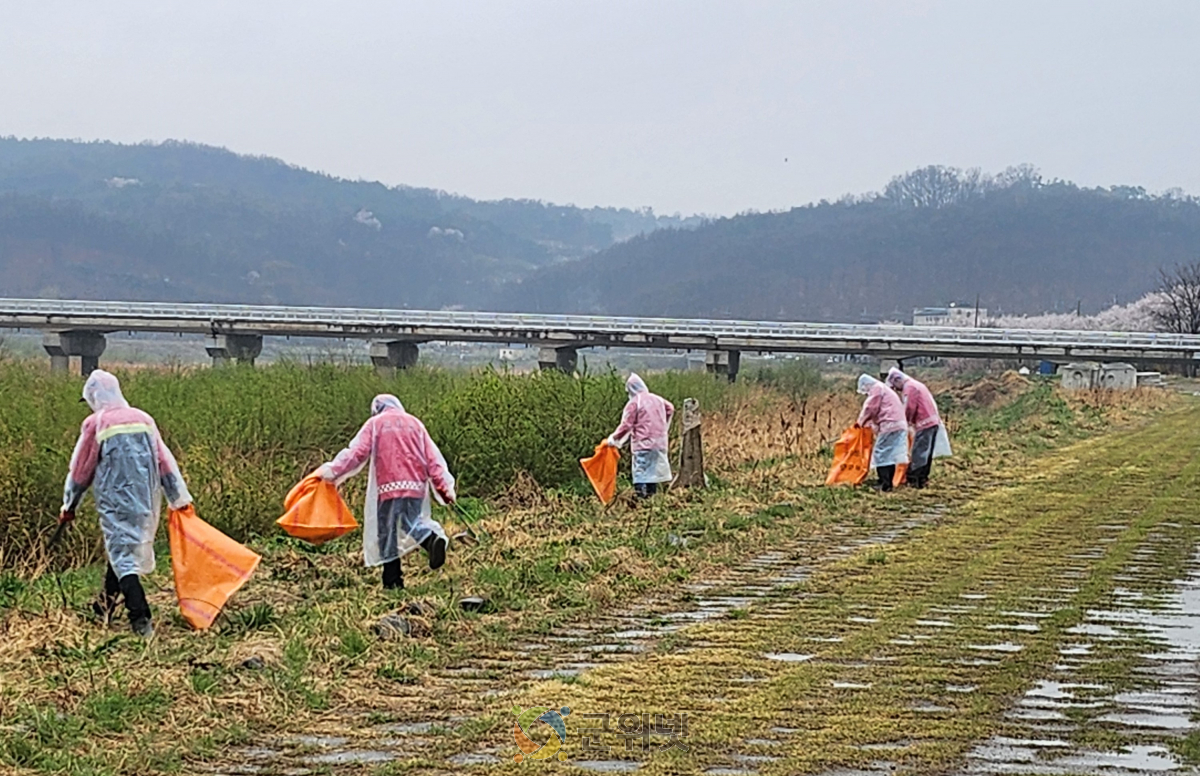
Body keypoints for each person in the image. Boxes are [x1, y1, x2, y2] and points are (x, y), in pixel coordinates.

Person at [60, 370, 192, 638]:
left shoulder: (96, 424)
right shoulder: (144, 419)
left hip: (115, 501)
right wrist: (179, 498)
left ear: (94, 397)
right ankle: (104, 606)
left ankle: (140, 616)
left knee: (123, 556)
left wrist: (69, 506)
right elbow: (165, 462)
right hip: (146, 499)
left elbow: (80, 471)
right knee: (121, 550)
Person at [318, 394, 454, 590]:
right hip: (416, 486)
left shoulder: (375, 424)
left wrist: (330, 472)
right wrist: (444, 488)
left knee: (386, 533)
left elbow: (356, 453)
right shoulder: (415, 424)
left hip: (389, 488)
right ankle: (431, 539)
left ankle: (393, 580)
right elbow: (433, 459)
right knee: (412, 523)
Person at [606, 373, 675, 498]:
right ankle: (651, 498)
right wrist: (663, 427)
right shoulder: (657, 399)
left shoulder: (634, 403)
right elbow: (670, 408)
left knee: (641, 473)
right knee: (653, 474)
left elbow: (626, 425)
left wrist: (614, 438)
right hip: (659, 443)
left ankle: (641, 498)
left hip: (642, 444)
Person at [885, 367, 951, 489]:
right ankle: (923, 478)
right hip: (932, 421)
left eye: (895, 386)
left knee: (919, 452)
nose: (897, 389)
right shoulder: (916, 384)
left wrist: (904, 422)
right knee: (926, 452)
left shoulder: (909, 388)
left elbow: (909, 407)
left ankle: (915, 479)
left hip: (924, 422)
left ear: (898, 380)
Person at [855, 373, 908, 492]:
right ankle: (887, 481)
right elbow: (879, 411)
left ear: (867, 385)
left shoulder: (877, 389)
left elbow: (871, 408)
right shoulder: (884, 389)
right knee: (890, 454)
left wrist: (860, 422)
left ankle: (884, 484)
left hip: (890, 424)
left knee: (881, 454)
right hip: (899, 424)